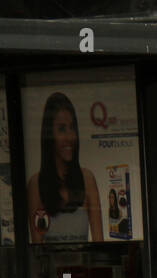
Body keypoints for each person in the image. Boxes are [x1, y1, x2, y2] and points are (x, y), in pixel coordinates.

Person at [27, 92, 103, 243]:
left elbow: (99, 244)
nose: (69, 137)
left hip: (84, 266)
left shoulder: (87, 180)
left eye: (72, 128)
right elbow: (37, 250)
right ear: (49, 134)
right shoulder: (36, 184)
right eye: (62, 129)